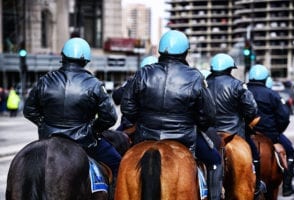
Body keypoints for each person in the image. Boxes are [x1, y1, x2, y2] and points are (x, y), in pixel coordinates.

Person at [121, 30, 222, 200]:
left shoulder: (143, 73)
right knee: (214, 161)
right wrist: (198, 123)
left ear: (160, 51)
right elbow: (209, 115)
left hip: (145, 137)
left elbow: (127, 107)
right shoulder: (195, 77)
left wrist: (141, 119)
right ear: (185, 52)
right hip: (184, 140)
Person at [23, 38, 121, 179]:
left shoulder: (45, 80)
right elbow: (110, 117)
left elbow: (29, 110)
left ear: (63, 57)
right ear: (86, 60)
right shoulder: (94, 84)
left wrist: (44, 124)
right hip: (84, 142)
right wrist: (93, 130)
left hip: (48, 138)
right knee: (118, 163)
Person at [206, 53, 265, 197]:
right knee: (255, 155)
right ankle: (256, 185)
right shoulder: (238, 85)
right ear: (230, 68)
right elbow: (252, 110)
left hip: (209, 135)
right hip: (234, 134)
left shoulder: (204, 83)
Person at [247, 64, 294, 196]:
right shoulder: (272, 94)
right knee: (290, 151)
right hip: (269, 134)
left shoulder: (243, 90)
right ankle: (287, 187)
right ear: (265, 78)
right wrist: (276, 133)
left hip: (245, 133)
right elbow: (284, 117)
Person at [112, 55, 158, 135]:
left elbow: (116, 97)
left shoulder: (135, 80)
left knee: (111, 143)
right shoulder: (168, 84)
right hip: (160, 128)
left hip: (132, 126)